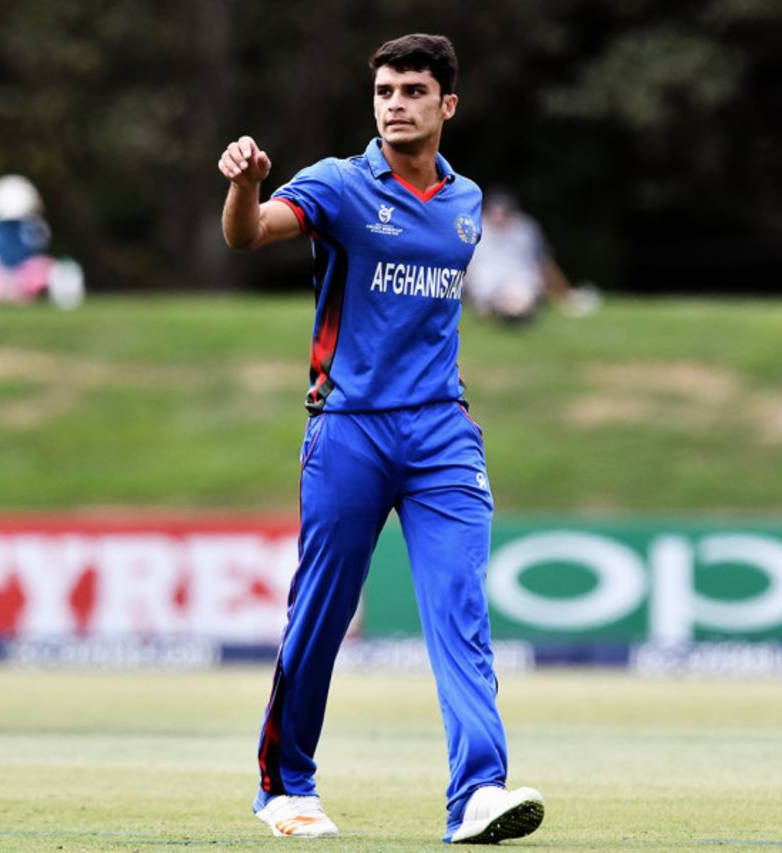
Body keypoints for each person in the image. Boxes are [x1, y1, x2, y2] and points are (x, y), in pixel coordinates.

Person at [217, 34, 544, 844]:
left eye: (412, 91)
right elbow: (249, 234)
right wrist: (247, 186)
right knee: (321, 615)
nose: (395, 103)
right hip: (349, 430)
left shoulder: (466, 204)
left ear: (447, 106)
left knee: (461, 612)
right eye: (385, 91)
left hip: (442, 434)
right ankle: (285, 786)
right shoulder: (339, 184)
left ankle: (478, 791)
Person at [466, 189, 597, 323]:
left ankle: (509, 311)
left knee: (518, 294)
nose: (499, 217)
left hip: (519, 280)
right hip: (485, 284)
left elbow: (544, 264)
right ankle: (505, 310)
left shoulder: (526, 229)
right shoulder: (474, 230)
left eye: (504, 212)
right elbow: (466, 267)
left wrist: (563, 294)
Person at [0, 174, 85, 310]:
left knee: (49, 268)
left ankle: (9, 292)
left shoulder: (29, 226)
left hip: (16, 277)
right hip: (1, 277)